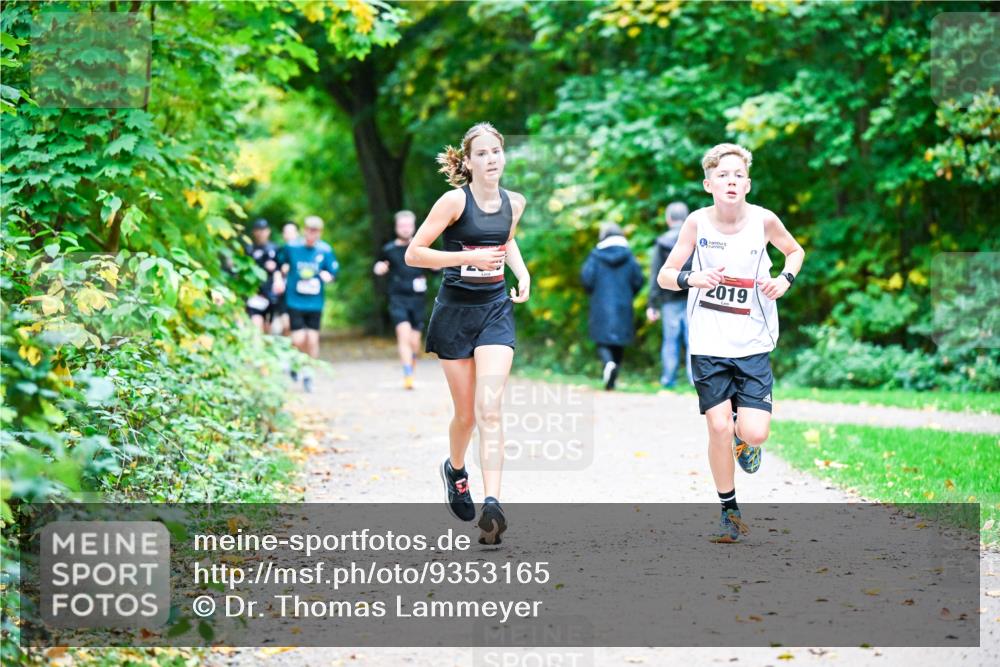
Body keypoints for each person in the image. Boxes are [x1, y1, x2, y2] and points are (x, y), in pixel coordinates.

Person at [657, 143, 804, 543]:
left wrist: (784, 280)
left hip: (753, 341)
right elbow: (665, 275)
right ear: (709, 184)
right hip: (708, 343)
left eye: (738, 175)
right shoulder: (696, 223)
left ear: (748, 183)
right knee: (718, 426)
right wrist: (693, 278)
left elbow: (795, 252)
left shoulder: (764, 220)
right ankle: (729, 510)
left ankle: (745, 439)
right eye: (723, 175)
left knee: (754, 433)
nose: (731, 181)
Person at [405, 122, 530, 545]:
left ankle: (492, 505)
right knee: (466, 416)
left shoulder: (516, 202)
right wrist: (468, 258)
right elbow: (414, 253)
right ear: (469, 160)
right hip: (456, 313)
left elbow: (506, 240)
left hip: (495, 310)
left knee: (489, 408)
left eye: (497, 151)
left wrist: (522, 270)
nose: (492, 159)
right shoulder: (454, 201)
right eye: (482, 153)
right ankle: (456, 470)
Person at [580, 223, 644, 390]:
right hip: (623, 304)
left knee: (602, 340)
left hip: (601, 304)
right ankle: (613, 375)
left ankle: (608, 364)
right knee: (619, 341)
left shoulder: (595, 256)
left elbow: (586, 279)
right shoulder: (629, 257)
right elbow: (638, 280)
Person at [279, 216, 339, 393]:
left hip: (315, 303)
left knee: (312, 339)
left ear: (320, 232)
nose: (312, 233)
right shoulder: (292, 248)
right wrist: (280, 274)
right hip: (295, 300)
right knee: (298, 339)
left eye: (316, 230)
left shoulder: (325, 250)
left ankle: (308, 373)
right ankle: (294, 361)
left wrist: (329, 276)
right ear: (304, 230)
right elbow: (279, 262)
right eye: (309, 229)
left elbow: (333, 271)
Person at [374, 210, 430, 390]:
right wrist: (379, 268)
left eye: (408, 225)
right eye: (402, 226)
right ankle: (407, 374)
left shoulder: (422, 247)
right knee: (403, 335)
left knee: (414, 342)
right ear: (396, 227)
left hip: (418, 300)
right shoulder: (389, 249)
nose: (405, 229)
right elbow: (378, 265)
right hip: (398, 298)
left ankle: (411, 369)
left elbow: (437, 268)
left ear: (414, 226)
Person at [647, 202, 694, 388]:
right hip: (693, 297)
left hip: (668, 300)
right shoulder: (696, 239)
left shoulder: (662, 242)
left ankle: (668, 379)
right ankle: (695, 380)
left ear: (668, 219)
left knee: (670, 340)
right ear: (686, 217)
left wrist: (652, 304)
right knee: (694, 340)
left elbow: (655, 275)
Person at [244, 218, 283, 335]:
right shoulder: (249, 249)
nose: (261, 233)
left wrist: (276, 271)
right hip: (255, 292)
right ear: (254, 232)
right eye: (258, 230)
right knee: (256, 326)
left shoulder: (275, 249)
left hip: (271, 294)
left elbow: (282, 269)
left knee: (268, 328)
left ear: (268, 231)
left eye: (263, 230)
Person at [273, 221, 300, 337]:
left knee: (297, 327)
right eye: (286, 232)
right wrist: (278, 279)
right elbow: (276, 269)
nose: (288, 234)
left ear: (297, 233)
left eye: (291, 231)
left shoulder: (303, 250)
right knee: (286, 324)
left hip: (300, 293)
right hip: (285, 293)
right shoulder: (280, 251)